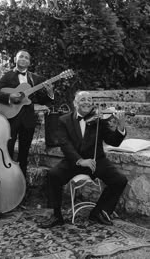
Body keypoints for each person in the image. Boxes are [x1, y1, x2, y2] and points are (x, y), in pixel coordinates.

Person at [40, 90, 128, 228]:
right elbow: (65, 144)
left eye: (89, 99)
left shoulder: (99, 120)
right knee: (53, 175)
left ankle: (99, 212)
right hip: (74, 161)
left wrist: (120, 126)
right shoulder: (64, 120)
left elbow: (113, 141)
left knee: (120, 180)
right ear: (75, 103)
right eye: (82, 99)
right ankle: (56, 215)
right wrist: (80, 160)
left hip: (96, 160)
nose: (87, 102)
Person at [0, 49, 54, 178]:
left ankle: (21, 184)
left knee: (24, 154)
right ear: (15, 60)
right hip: (10, 119)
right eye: (21, 57)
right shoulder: (8, 76)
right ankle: (6, 180)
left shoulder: (35, 79)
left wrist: (50, 93)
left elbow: (44, 101)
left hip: (28, 120)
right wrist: (9, 97)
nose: (24, 59)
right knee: (8, 150)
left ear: (29, 62)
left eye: (26, 57)